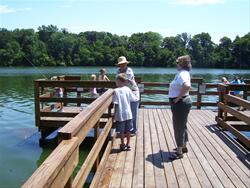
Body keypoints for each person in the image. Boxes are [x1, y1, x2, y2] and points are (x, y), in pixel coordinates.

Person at [169, 55, 192, 160]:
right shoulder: (183, 73)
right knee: (182, 125)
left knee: (178, 127)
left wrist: (178, 98)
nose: (176, 64)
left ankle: (179, 152)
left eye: (177, 63)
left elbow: (187, 86)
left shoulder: (182, 74)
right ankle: (183, 146)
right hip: (182, 102)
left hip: (180, 103)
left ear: (181, 64)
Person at [113, 73, 137, 151]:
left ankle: (122, 144)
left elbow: (115, 103)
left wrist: (114, 115)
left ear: (120, 81)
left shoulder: (116, 91)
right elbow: (134, 99)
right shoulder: (127, 89)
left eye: (116, 81)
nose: (115, 83)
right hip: (128, 114)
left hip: (120, 115)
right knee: (128, 130)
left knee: (121, 131)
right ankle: (128, 144)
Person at [116, 56, 140, 135]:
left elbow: (125, 82)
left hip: (133, 92)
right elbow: (118, 82)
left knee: (133, 112)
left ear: (126, 64)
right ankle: (127, 130)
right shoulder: (118, 71)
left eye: (124, 64)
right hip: (125, 93)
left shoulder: (129, 70)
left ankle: (133, 130)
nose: (122, 65)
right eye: (121, 64)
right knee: (126, 112)